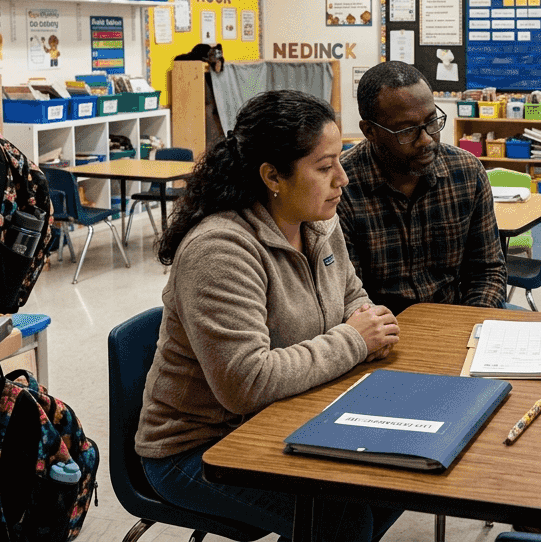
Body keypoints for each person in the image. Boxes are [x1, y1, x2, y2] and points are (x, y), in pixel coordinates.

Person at [135, 90, 402, 542]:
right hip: (199, 448)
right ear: (273, 176)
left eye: (340, 161)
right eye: (325, 167)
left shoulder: (318, 220)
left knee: (396, 475)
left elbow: (351, 296)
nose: (342, 179)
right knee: (342, 518)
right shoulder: (220, 250)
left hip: (289, 412)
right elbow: (246, 382)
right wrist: (356, 339)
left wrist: (364, 319)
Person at [337, 61, 507, 315]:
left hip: (455, 319)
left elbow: (487, 270)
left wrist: (472, 323)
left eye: (432, 121)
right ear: (370, 131)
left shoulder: (466, 172)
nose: (426, 139)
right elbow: (348, 297)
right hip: (381, 329)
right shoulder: (341, 188)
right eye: (407, 130)